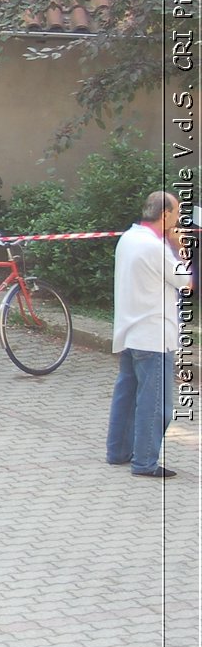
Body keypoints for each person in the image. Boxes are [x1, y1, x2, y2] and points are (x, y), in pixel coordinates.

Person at [106, 190, 192, 478]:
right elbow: (186, 281)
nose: (178, 218)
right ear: (165, 214)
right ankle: (144, 461)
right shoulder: (157, 249)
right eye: (176, 212)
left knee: (127, 396)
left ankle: (118, 450)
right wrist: (180, 247)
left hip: (130, 332)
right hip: (154, 335)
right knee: (156, 404)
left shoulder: (129, 238)